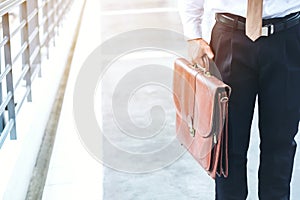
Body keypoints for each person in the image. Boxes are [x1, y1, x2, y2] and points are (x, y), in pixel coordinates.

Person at [178, 1, 300, 199]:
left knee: (280, 146)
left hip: (288, 36)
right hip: (229, 37)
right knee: (227, 145)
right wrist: (193, 34)